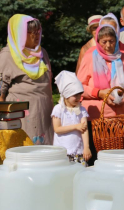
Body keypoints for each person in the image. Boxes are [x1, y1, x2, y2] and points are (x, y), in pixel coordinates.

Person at [0, 14, 54, 145]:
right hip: (22, 117)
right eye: (31, 32)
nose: (35, 35)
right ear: (19, 33)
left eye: (38, 31)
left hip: (45, 115)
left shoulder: (42, 53)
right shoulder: (7, 55)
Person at [77, 24, 124, 119]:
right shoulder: (89, 58)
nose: (108, 45)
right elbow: (79, 87)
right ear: (97, 42)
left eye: (111, 41)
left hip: (123, 116)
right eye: (104, 42)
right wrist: (99, 93)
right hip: (97, 117)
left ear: (116, 41)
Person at [52, 71, 91, 166]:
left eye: (80, 94)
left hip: (79, 151)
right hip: (62, 152)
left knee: (79, 173)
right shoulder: (59, 109)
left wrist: (86, 147)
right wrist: (76, 126)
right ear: (66, 94)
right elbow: (57, 129)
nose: (78, 98)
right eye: (75, 95)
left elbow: (84, 129)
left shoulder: (81, 110)